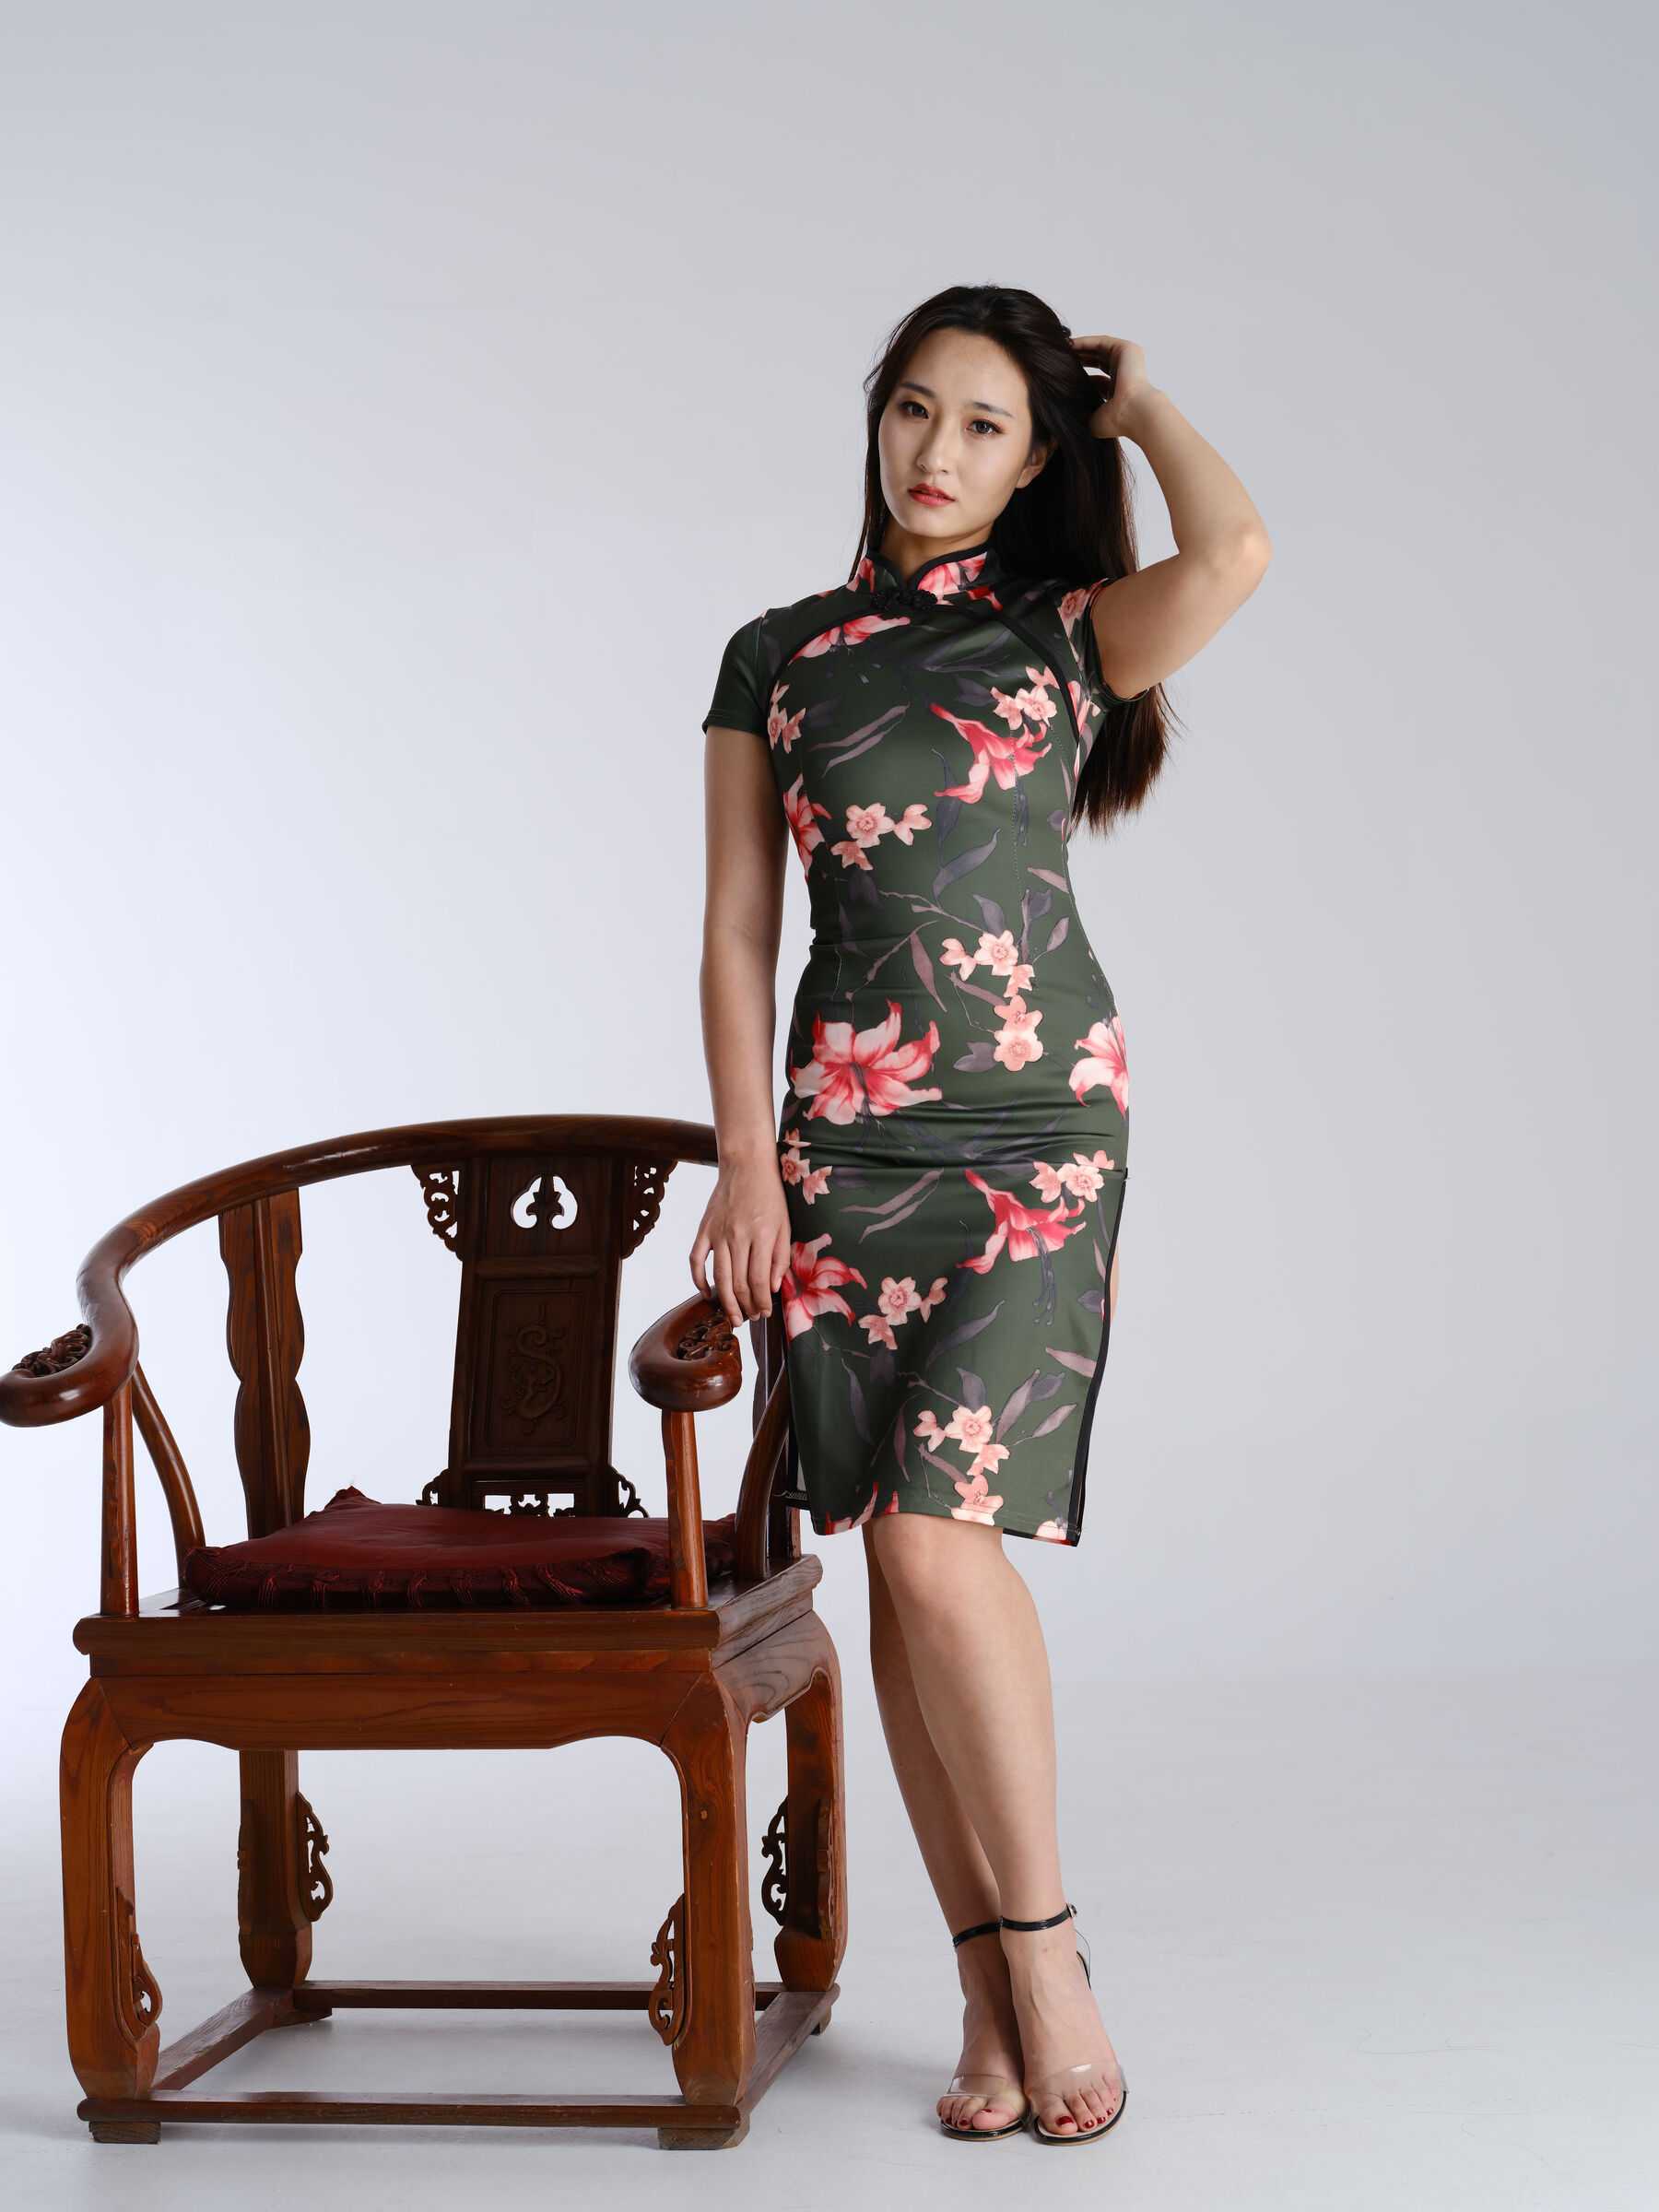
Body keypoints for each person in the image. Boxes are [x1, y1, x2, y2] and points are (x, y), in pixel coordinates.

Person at [691, 285, 1270, 2145]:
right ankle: (982, 1990)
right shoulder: (778, 655)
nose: (936, 452)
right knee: (895, 1559)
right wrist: (747, 1159)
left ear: (1035, 466)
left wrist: (1141, 406)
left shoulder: (1066, 637)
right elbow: (736, 928)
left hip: (1036, 1141)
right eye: (913, 410)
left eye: (986, 426)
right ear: (876, 419)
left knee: (942, 1549)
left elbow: (1236, 552)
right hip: (842, 1156)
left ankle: (1049, 1957)